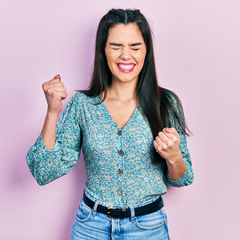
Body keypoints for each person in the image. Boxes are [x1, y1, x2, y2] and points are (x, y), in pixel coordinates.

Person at [26, 8, 194, 240]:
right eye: (116, 46)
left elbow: (183, 178)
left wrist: (174, 156)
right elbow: (43, 170)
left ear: (147, 51)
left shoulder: (165, 103)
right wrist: (53, 111)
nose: (126, 55)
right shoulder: (83, 105)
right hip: (90, 227)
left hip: (148, 229)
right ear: (103, 51)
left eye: (135, 46)